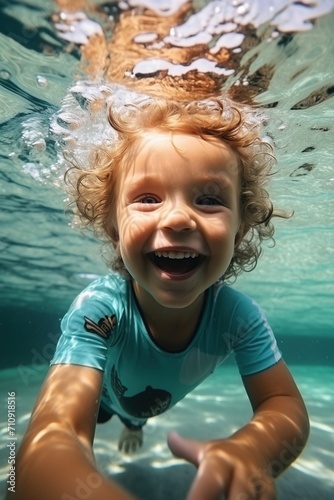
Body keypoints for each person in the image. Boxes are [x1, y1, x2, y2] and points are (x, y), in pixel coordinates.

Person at [13, 91, 309, 500]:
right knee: (99, 414)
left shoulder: (237, 317)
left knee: (138, 415)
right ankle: (128, 421)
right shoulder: (100, 311)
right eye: (148, 199)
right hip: (105, 395)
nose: (177, 218)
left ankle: (135, 424)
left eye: (208, 199)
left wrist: (252, 450)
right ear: (114, 227)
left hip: (148, 401)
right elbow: (53, 436)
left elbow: (283, 404)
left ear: (240, 230)